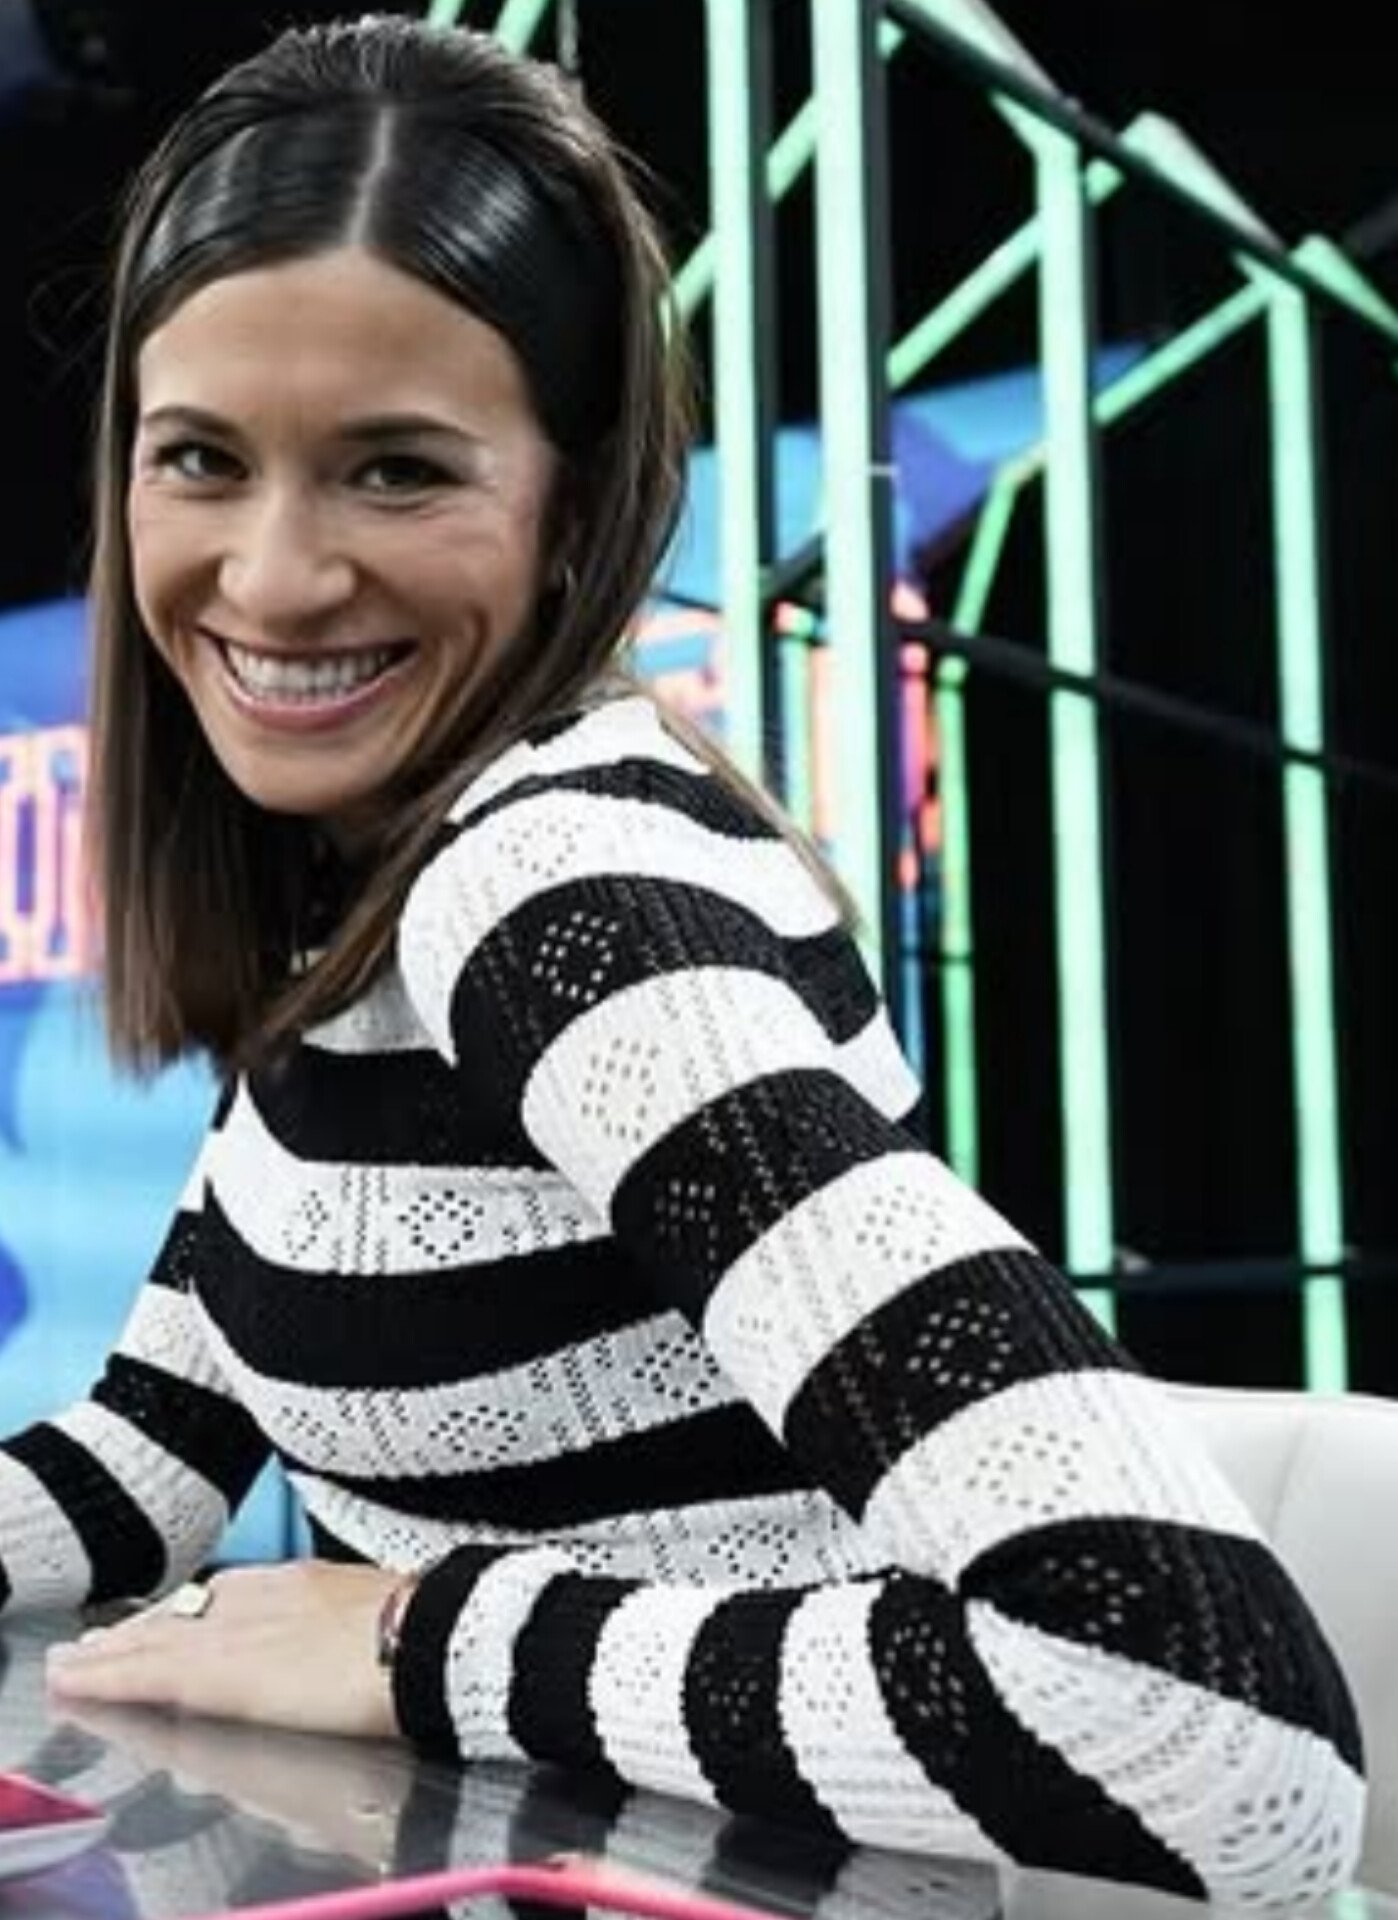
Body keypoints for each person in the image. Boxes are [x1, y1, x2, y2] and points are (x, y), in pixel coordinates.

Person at [0, 11, 1367, 1904]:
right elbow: (140, 1463)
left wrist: (417, 1639)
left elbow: (1215, 1726)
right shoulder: (372, 880)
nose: (278, 574)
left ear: (573, 509)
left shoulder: (562, 898)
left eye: (395, 471)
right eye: (202, 461)